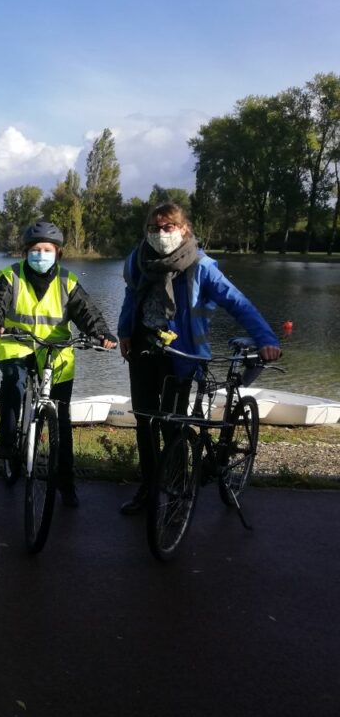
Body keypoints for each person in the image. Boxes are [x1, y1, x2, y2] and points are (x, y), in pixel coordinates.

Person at [117, 202, 282, 514]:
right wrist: (124, 332)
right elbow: (131, 298)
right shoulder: (138, 260)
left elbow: (237, 302)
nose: (161, 234)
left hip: (181, 353)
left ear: (184, 230)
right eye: (154, 228)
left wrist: (266, 339)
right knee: (144, 421)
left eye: (168, 228)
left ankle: (178, 489)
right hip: (142, 348)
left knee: (172, 423)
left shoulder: (200, 266)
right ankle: (149, 489)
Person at [0, 221, 116, 508]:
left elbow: (87, 313)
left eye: (46, 250)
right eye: (35, 250)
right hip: (16, 344)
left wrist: (101, 334)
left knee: (61, 422)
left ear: (58, 253)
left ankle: (66, 484)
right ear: (25, 252)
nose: (40, 255)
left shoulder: (68, 282)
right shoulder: (10, 276)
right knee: (13, 384)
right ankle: (7, 440)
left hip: (56, 352)